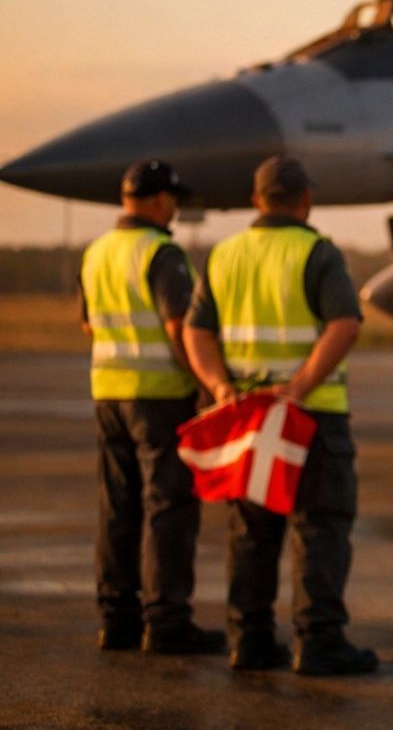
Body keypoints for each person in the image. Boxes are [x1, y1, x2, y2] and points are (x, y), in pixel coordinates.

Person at [183, 155, 378, 675]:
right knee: (320, 527)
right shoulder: (317, 253)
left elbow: (195, 331)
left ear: (256, 201)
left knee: (252, 531)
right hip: (309, 416)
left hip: (247, 417)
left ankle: (248, 641)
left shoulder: (225, 255)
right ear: (305, 199)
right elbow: (345, 324)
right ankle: (319, 642)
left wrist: (220, 386)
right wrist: (299, 386)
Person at [79, 159, 226, 655]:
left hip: (108, 393)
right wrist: (201, 380)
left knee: (116, 505)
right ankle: (166, 622)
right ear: (162, 201)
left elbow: (88, 325)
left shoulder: (97, 252)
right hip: (160, 397)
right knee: (168, 506)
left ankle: (115, 620)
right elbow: (176, 325)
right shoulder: (162, 254)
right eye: (175, 201)